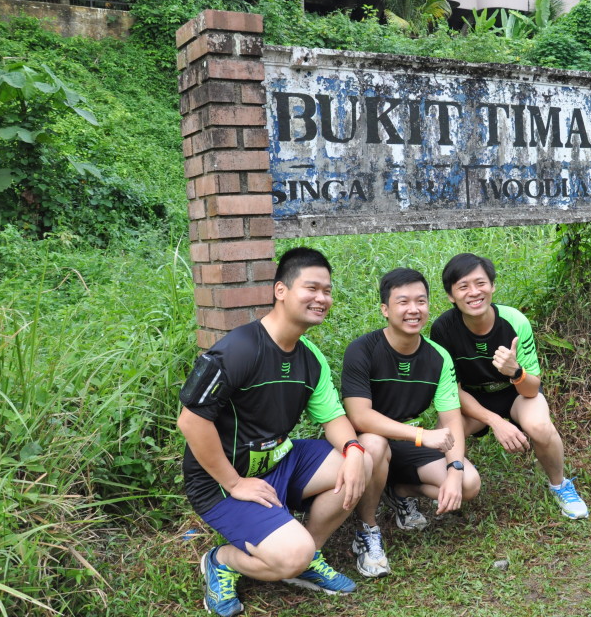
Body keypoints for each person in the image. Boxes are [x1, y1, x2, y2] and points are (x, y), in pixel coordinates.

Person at [177, 247, 372, 617]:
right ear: (280, 290)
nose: (321, 298)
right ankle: (222, 560)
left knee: (360, 460)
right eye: (311, 288)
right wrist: (234, 482)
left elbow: (333, 418)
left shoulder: (309, 356)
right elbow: (191, 421)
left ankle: (305, 556)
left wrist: (354, 449)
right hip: (221, 480)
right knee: (289, 553)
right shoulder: (238, 350)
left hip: (278, 460)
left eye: (327, 291)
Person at [341, 268, 481, 578]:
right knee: (375, 443)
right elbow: (359, 416)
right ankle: (368, 529)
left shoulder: (438, 357)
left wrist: (455, 470)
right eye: (403, 302)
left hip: (406, 445)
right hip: (365, 444)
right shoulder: (362, 350)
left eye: (420, 301)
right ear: (385, 309)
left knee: (470, 483)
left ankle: (399, 490)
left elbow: (451, 420)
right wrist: (421, 435)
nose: (413, 309)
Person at [429, 253, 588, 520]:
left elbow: (531, 388)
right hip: (473, 399)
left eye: (480, 283)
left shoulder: (515, 321)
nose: (474, 292)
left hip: (515, 393)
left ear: (492, 286)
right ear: (450, 295)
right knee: (440, 440)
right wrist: (495, 421)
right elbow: (451, 391)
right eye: (463, 286)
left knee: (539, 426)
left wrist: (514, 371)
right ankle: (434, 492)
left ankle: (560, 485)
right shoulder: (443, 329)